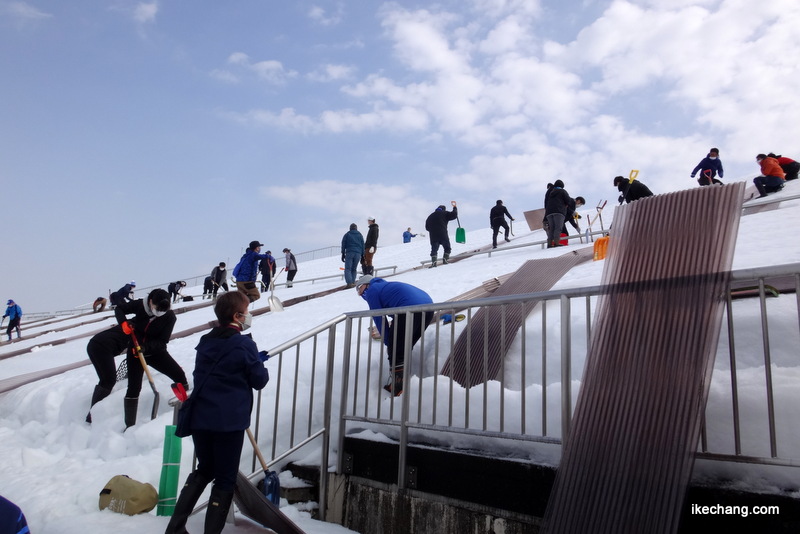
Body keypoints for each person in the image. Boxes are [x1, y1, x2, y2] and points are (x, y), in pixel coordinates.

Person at [165, 291, 269, 534]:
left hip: (201, 417)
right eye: (247, 310)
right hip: (228, 421)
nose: (249, 315)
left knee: (205, 469)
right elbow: (259, 380)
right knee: (224, 478)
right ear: (237, 316)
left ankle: (175, 527)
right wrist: (256, 360)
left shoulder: (206, 341)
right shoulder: (244, 344)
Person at [116, 288, 189, 429]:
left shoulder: (169, 317)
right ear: (150, 302)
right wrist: (123, 323)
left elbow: (162, 341)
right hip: (135, 352)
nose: (160, 312)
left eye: (163, 310)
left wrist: (146, 348)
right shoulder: (140, 305)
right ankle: (129, 426)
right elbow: (119, 308)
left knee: (179, 375)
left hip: (156, 352)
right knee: (134, 388)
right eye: (157, 309)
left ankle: (184, 409)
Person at [355, 275, 434, 396]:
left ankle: (398, 387)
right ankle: (405, 382)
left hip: (408, 309)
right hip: (428, 309)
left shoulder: (372, 290)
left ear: (366, 284)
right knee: (404, 346)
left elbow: (378, 317)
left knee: (396, 350)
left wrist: (388, 342)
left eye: (359, 288)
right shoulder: (385, 286)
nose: (359, 293)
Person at [425, 202, 458, 267]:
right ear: (444, 209)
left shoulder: (430, 216)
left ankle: (434, 263)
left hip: (433, 236)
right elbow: (454, 215)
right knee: (447, 248)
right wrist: (455, 208)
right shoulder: (444, 213)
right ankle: (445, 260)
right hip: (443, 234)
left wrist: (433, 230)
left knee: (434, 249)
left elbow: (427, 228)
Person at [544, 180, 573, 248]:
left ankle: (550, 244)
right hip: (559, 211)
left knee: (552, 228)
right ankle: (556, 243)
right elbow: (568, 201)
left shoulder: (551, 192)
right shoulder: (562, 191)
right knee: (558, 227)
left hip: (549, 213)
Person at [341, 223, 365, 288]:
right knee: (354, 269)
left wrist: (343, 253)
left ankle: (349, 283)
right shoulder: (360, 235)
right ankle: (353, 282)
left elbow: (343, 244)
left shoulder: (347, 234)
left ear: (350, 228)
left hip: (350, 253)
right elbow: (363, 245)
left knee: (348, 268)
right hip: (358, 254)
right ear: (356, 228)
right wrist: (363, 255)